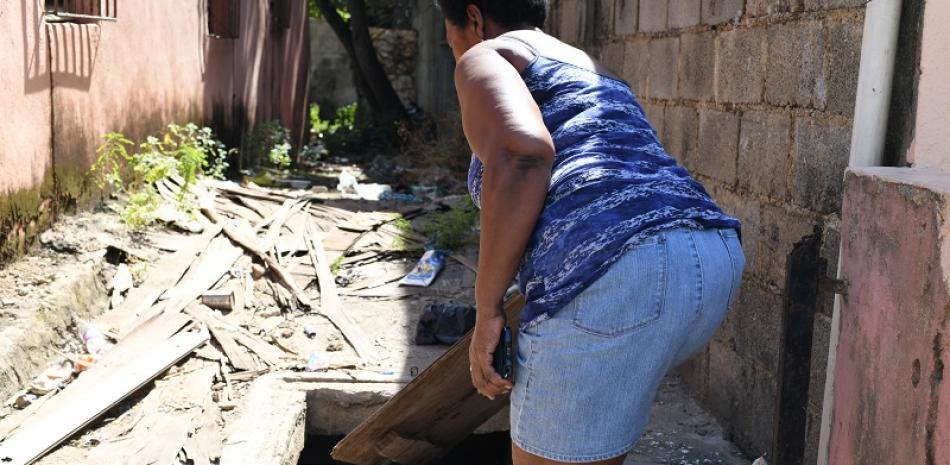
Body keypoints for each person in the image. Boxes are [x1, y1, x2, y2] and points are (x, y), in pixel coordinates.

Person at [437, 0, 746, 463]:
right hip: (709, 253)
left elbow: (522, 154)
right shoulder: (588, 67)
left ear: (474, 18)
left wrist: (488, 310)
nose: (456, 50)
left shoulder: (487, 54)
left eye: (452, 37)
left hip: (619, 273)